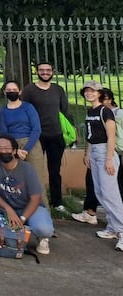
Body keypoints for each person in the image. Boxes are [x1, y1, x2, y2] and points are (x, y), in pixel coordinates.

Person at [0, 135, 54, 255]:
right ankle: (0, 227)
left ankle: (40, 237)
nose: (2, 151)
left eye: (6, 148)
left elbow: (35, 198)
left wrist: (22, 219)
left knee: (45, 230)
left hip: (29, 208)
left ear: (14, 150)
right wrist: (7, 209)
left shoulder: (27, 169)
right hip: (6, 207)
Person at [21, 61, 70, 211]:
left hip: (56, 135)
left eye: (48, 70)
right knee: (34, 170)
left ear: (52, 72)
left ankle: (57, 202)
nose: (45, 73)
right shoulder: (29, 90)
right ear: (37, 72)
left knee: (54, 170)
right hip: (36, 136)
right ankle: (33, 200)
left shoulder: (58, 89)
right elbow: (24, 110)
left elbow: (65, 111)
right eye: (41, 70)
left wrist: (72, 129)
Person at [80, 81, 123, 251]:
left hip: (106, 152)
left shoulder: (106, 111)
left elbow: (111, 136)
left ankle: (121, 230)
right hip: (95, 153)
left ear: (99, 93)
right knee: (99, 192)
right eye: (86, 91)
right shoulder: (91, 111)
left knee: (110, 193)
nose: (89, 94)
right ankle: (113, 227)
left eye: (93, 91)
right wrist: (87, 154)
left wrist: (108, 159)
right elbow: (91, 136)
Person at [0, 80, 46, 207]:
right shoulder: (3, 111)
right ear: (4, 92)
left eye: (14, 90)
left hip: (32, 144)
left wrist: (26, 149)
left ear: (20, 92)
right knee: (17, 182)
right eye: (8, 90)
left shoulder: (28, 107)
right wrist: (15, 150)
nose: (11, 92)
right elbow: (4, 132)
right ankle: (21, 210)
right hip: (12, 147)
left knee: (36, 180)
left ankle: (42, 211)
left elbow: (36, 129)